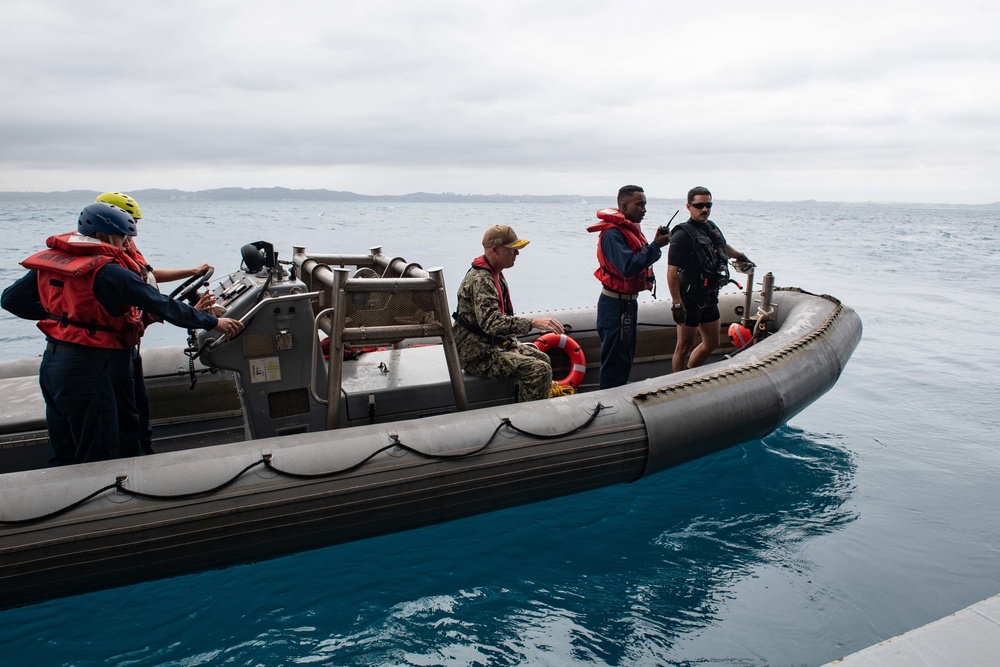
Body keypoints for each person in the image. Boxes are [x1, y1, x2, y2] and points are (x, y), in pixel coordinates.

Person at [0, 202, 243, 466]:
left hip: (53, 364)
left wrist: (62, 318)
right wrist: (212, 321)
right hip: (88, 368)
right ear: (103, 236)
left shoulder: (52, 264)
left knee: (65, 446)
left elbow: (11, 300)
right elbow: (160, 304)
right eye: (123, 237)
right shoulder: (108, 271)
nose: (126, 244)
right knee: (101, 450)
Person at [95, 191, 214, 456]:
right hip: (109, 352)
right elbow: (152, 300)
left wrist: (192, 271)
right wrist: (202, 316)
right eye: (129, 223)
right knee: (126, 415)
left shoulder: (125, 250)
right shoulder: (107, 263)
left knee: (139, 407)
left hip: (128, 347)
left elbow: (145, 276)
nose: (133, 230)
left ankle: (145, 453)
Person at [452, 225, 564, 402]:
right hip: (477, 355)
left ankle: (529, 402)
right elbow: (491, 323)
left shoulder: (494, 274)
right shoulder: (481, 280)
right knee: (539, 370)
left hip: (492, 345)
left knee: (541, 357)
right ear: (495, 250)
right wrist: (533, 323)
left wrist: (510, 342)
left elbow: (499, 321)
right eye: (513, 250)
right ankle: (531, 418)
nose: (517, 254)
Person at [588, 185, 671, 389]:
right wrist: (656, 246)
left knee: (625, 358)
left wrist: (653, 244)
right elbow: (627, 267)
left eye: (645, 205)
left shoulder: (627, 231)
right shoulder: (611, 235)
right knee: (614, 361)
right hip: (614, 305)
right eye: (639, 204)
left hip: (628, 305)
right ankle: (608, 402)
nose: (644, 209)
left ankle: (617, 396)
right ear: (624, 206)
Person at [667, 186, 753, 372]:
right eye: (699, 205)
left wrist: (740, 256)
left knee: (712, 342)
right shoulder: (682, 234)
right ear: (689, 206)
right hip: (689, 297)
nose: (704, 209)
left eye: (708, 205)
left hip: (709, 294)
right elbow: (672, 271)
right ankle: (677, 384)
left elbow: (722, 246)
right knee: (683, 347)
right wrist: (676, 302)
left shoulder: (712, 228)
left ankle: (689, 371)